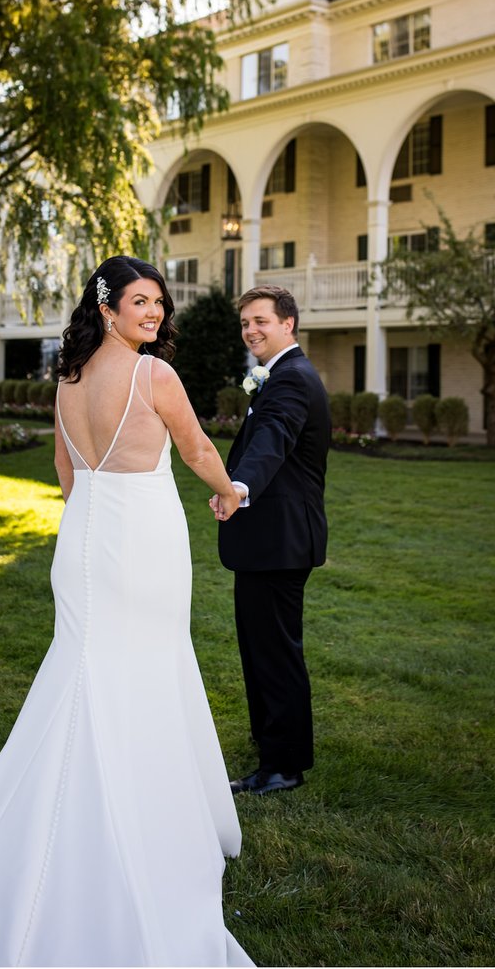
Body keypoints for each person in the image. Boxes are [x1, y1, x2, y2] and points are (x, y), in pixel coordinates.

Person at [0, 256, 252, 966]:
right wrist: (231, 490)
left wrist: (93, 527)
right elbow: (195, 447)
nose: (154, 313)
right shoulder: (153, 375)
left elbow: (66, 474)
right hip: (141, 539)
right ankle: (141, 818)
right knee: (146, 668)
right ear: (107, 308)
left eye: (159, 303)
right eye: (140, 302)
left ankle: (75, 800)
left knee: (85, 670)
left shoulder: (68, 381)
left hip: (84, 540)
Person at [208, 286, 331, 796]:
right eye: (244, 323)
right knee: (262, 649)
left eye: (260, 320)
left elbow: (274, 437)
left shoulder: (291, 381)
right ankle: (272, 745)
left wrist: (238, 486)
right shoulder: (281, 375)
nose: (250, 330)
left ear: (289, 324)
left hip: (279, 540)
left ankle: (282, 767)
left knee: (275, 653)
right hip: (269, 539)